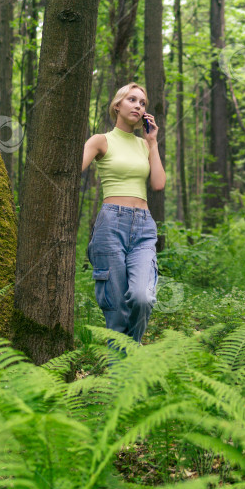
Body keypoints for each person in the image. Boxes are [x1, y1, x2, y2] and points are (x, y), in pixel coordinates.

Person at [81, 82, 166, 362]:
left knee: (142, 297)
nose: (139, 106)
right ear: (117, 105)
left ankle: (132, 353)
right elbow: (73, 168)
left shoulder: (145, 144)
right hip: (111, 225)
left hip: (143, 226)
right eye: (132, 100)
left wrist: (153, 143)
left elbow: (158, 183)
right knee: (116, 308)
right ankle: (121, 376)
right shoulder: (100, 141)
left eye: (143, 102)